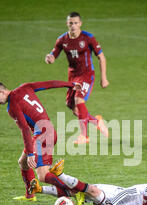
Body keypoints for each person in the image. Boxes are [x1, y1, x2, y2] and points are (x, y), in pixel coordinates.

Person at [0, 80, 92, 201]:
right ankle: (30, 195)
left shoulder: (12, 106)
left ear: (2, 92)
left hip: (42, 136)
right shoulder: (24, 87)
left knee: (43, 175)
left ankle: (76, 191)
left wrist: (31, 153)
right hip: (47, 131)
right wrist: (70, 85)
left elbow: (25, 129)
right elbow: (49, 84)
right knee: (23, 163)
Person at [45, 11, 109, 144]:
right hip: (73, 76)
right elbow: (53, 54)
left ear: (80, 24)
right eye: (70, 23)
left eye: (75, 23)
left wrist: (104, 78)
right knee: (71, 105)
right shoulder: (62, 40)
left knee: (79, 99)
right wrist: (50, 58)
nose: (73, 26)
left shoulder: (88, 38)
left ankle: (84, 136)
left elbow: (101, 57)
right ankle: (97, 122)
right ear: (67, 24)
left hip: (86, 75)